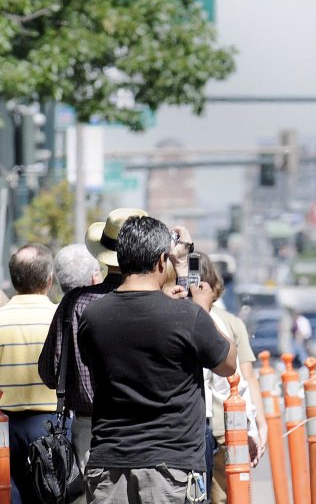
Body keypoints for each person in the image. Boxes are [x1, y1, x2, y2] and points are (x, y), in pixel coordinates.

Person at [78, 215, 237, 504]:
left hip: (108, 466)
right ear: (161, 261)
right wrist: (202, 309)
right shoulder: (186, 316)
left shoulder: (93, 317)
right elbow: (227, 363)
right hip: (169, 469)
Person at [39, 207, 186, 503]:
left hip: (88, 427)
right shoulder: (157, 303)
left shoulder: (74, 304)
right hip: (152, 430)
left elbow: (50, 371)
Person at [200, 254, 265, 504]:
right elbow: (247, 378)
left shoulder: (171, 319)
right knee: (227, 497)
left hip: (189, 431)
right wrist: (259, 425)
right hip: (227, 430)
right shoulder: (231, 323)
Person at [0, 244, 61, 504]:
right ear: (49, 280)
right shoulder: (61, 317)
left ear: (14, 281)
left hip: (5, 427)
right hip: (50, 426)